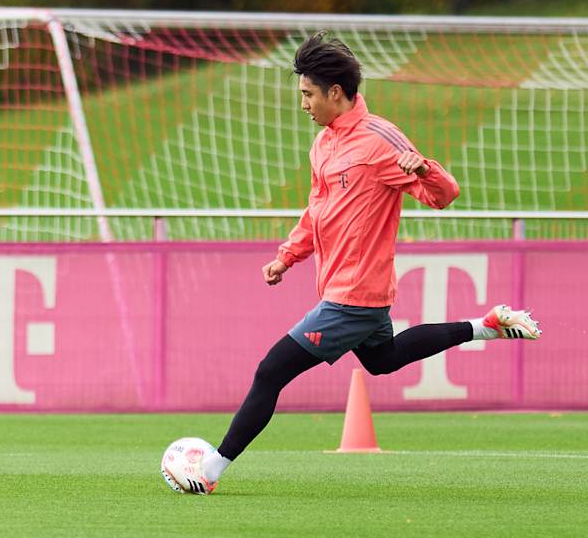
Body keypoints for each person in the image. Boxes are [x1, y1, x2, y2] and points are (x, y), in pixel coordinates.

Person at [184, 32, 541, 495]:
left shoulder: (379, 140)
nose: (304, 105)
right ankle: (486, 325)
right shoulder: (324, 145)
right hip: (346, 291)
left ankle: (210, 470)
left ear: (335, 92)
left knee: (270, 372)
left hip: (354, 295)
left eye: (308, 95)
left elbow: (443, 195)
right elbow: (316, 211)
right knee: (383, 360)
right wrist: (287, 257)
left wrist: (425, 170)